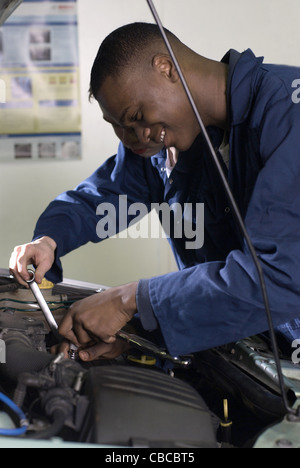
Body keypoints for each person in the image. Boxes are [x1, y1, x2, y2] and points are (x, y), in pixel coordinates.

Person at [9, 23, 300, 362]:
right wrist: (49, 240)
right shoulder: (169, 141)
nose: (132, 138)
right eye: (117, 126)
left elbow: (280, 277)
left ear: (166, 68)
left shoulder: (289, 114)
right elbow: (102, 198)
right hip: (245, 355)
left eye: (134, 117)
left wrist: (131, 300)